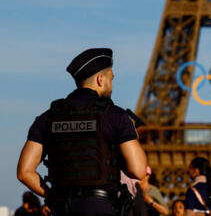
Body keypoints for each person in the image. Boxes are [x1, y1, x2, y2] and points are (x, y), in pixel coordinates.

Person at [17, 48, 147, 216]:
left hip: (62, 208)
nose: (112, 85)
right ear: (101, 79)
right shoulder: (116, 116)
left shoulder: (48, 117)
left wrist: (52, 197)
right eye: (111, 79)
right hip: (102, 207)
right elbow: (138, 170)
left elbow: (24, 172)